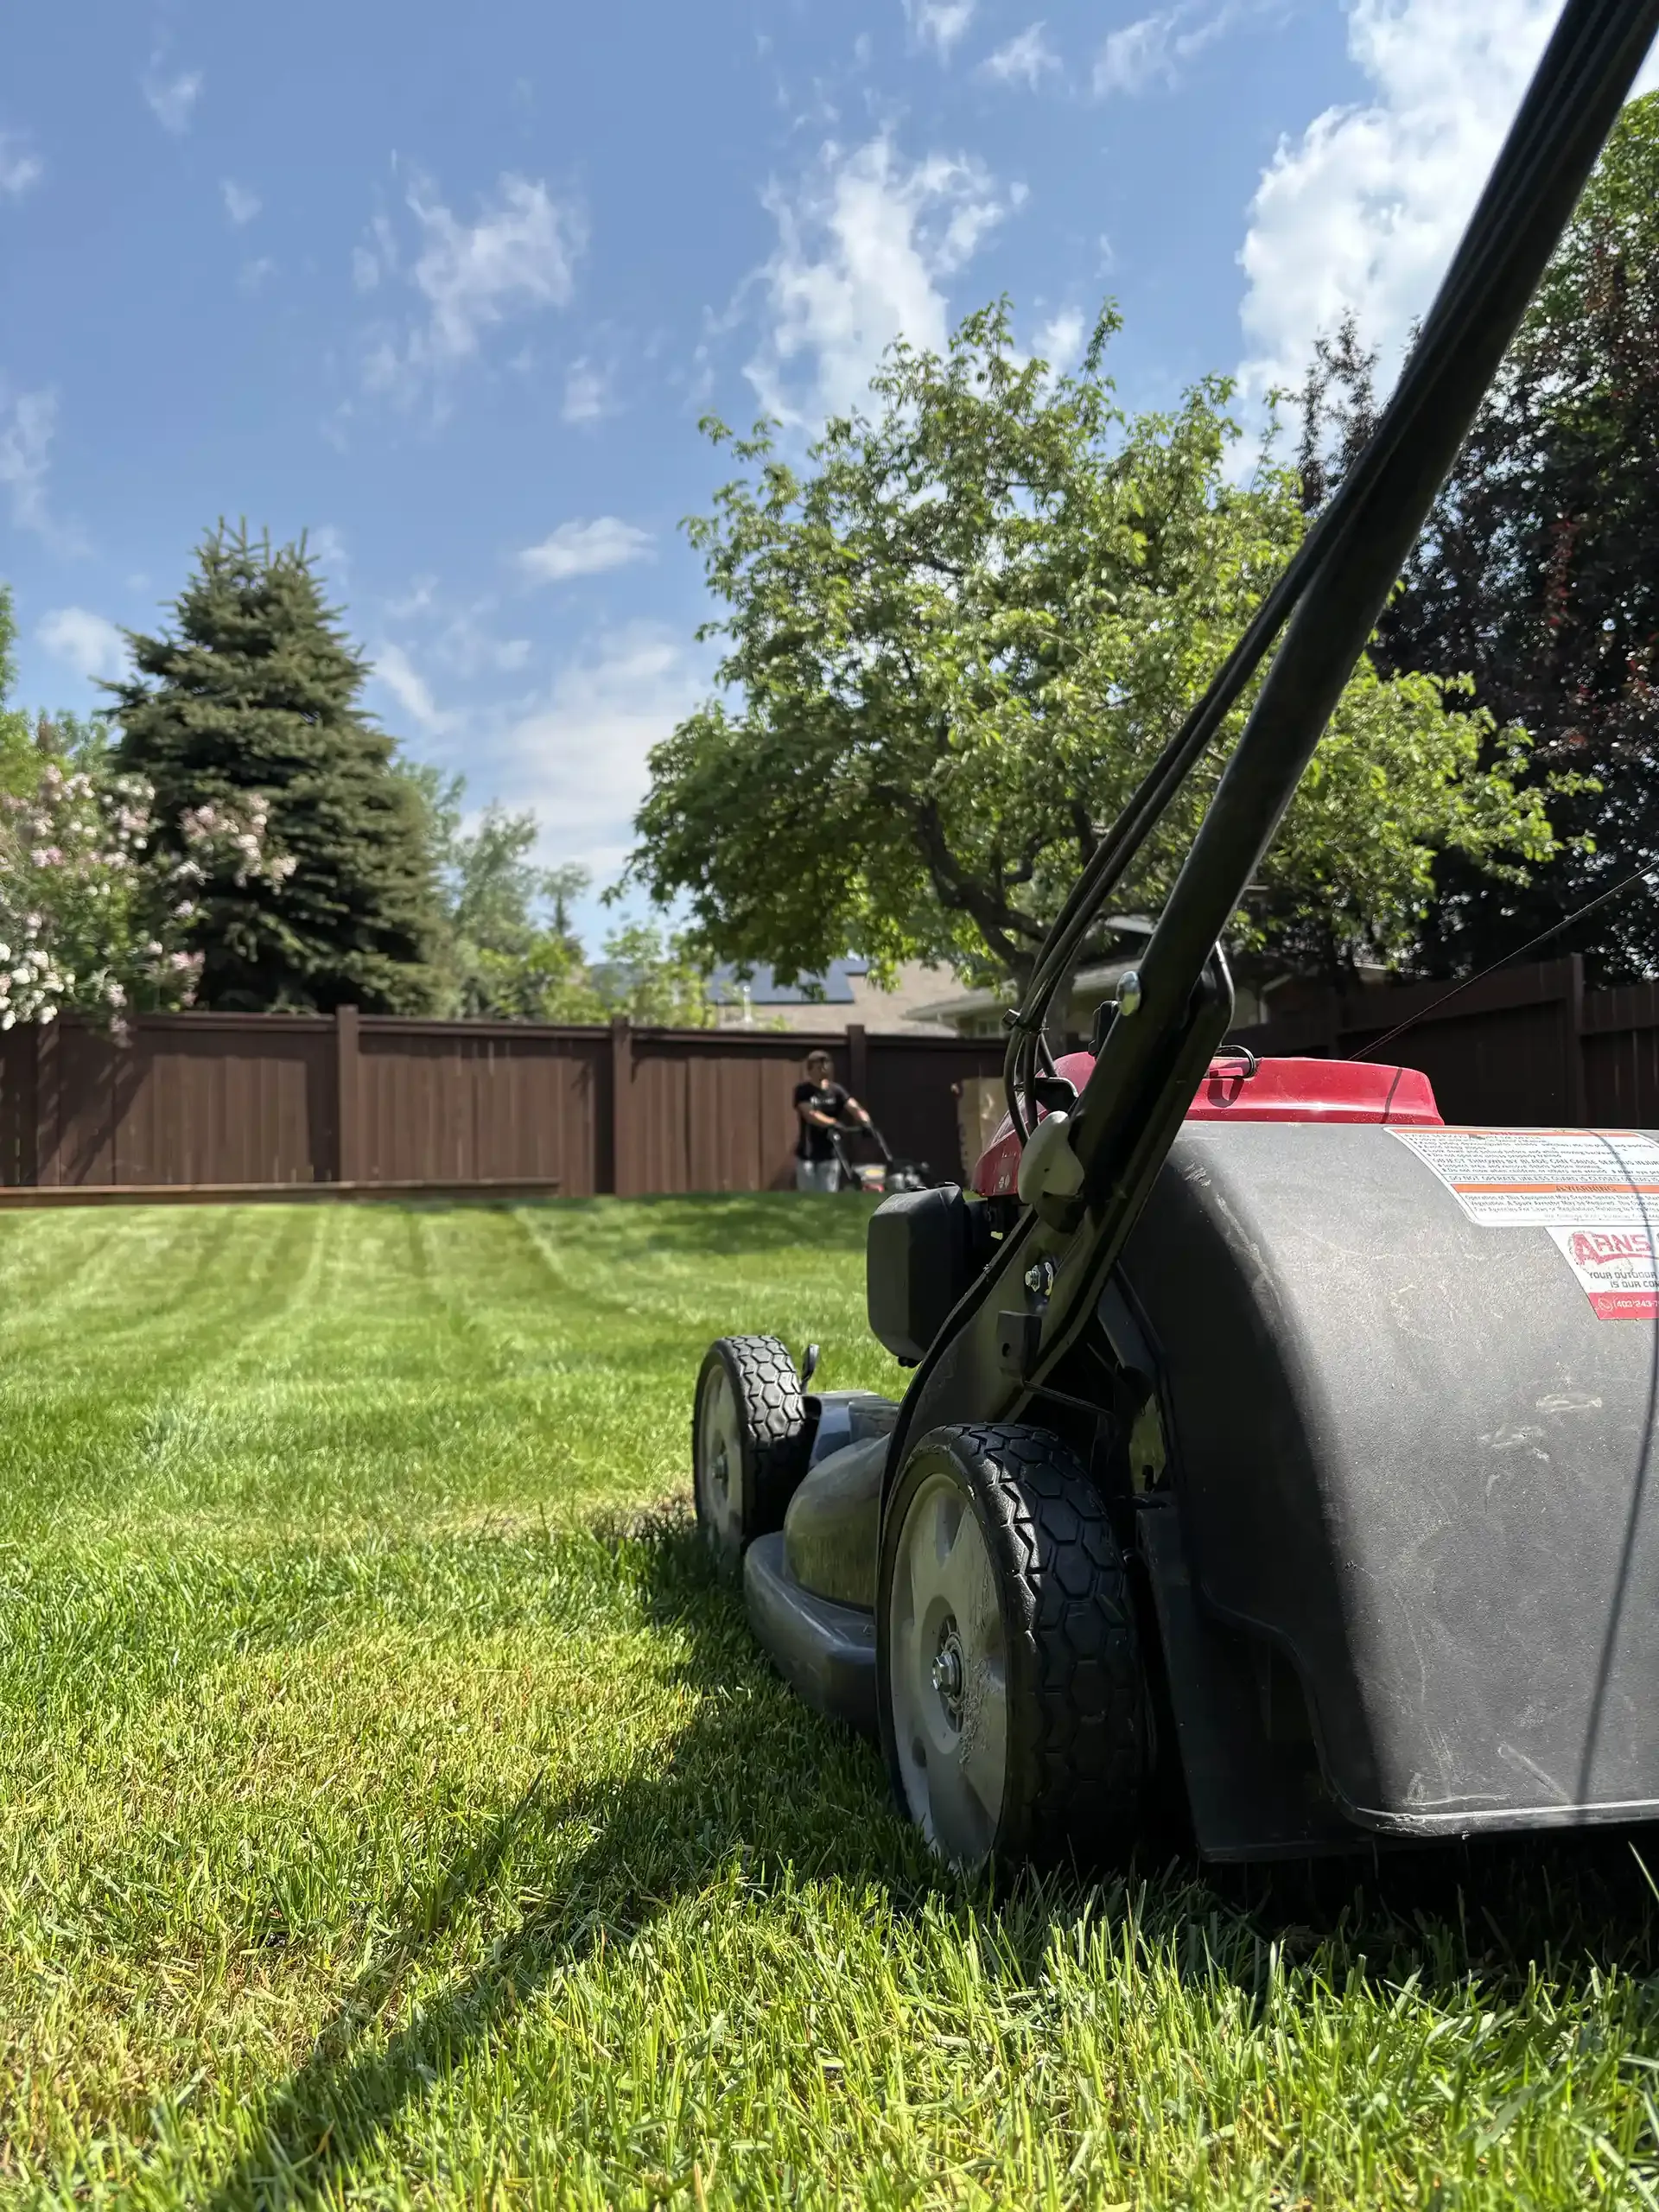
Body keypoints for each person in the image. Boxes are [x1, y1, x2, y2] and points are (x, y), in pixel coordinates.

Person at [793, 1049, 869, 1192]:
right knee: (807, 1198)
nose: (824, 1068)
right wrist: (834, 1124)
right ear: (810, 1070)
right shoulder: (803, 1091)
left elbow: (854, 1107)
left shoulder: (837, 1091)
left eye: (826, 1064)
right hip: (808, 1155)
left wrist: (866, 1122)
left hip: (831, 1154)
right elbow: (811, 1115)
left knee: (828, 1196)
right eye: (819, 1065)